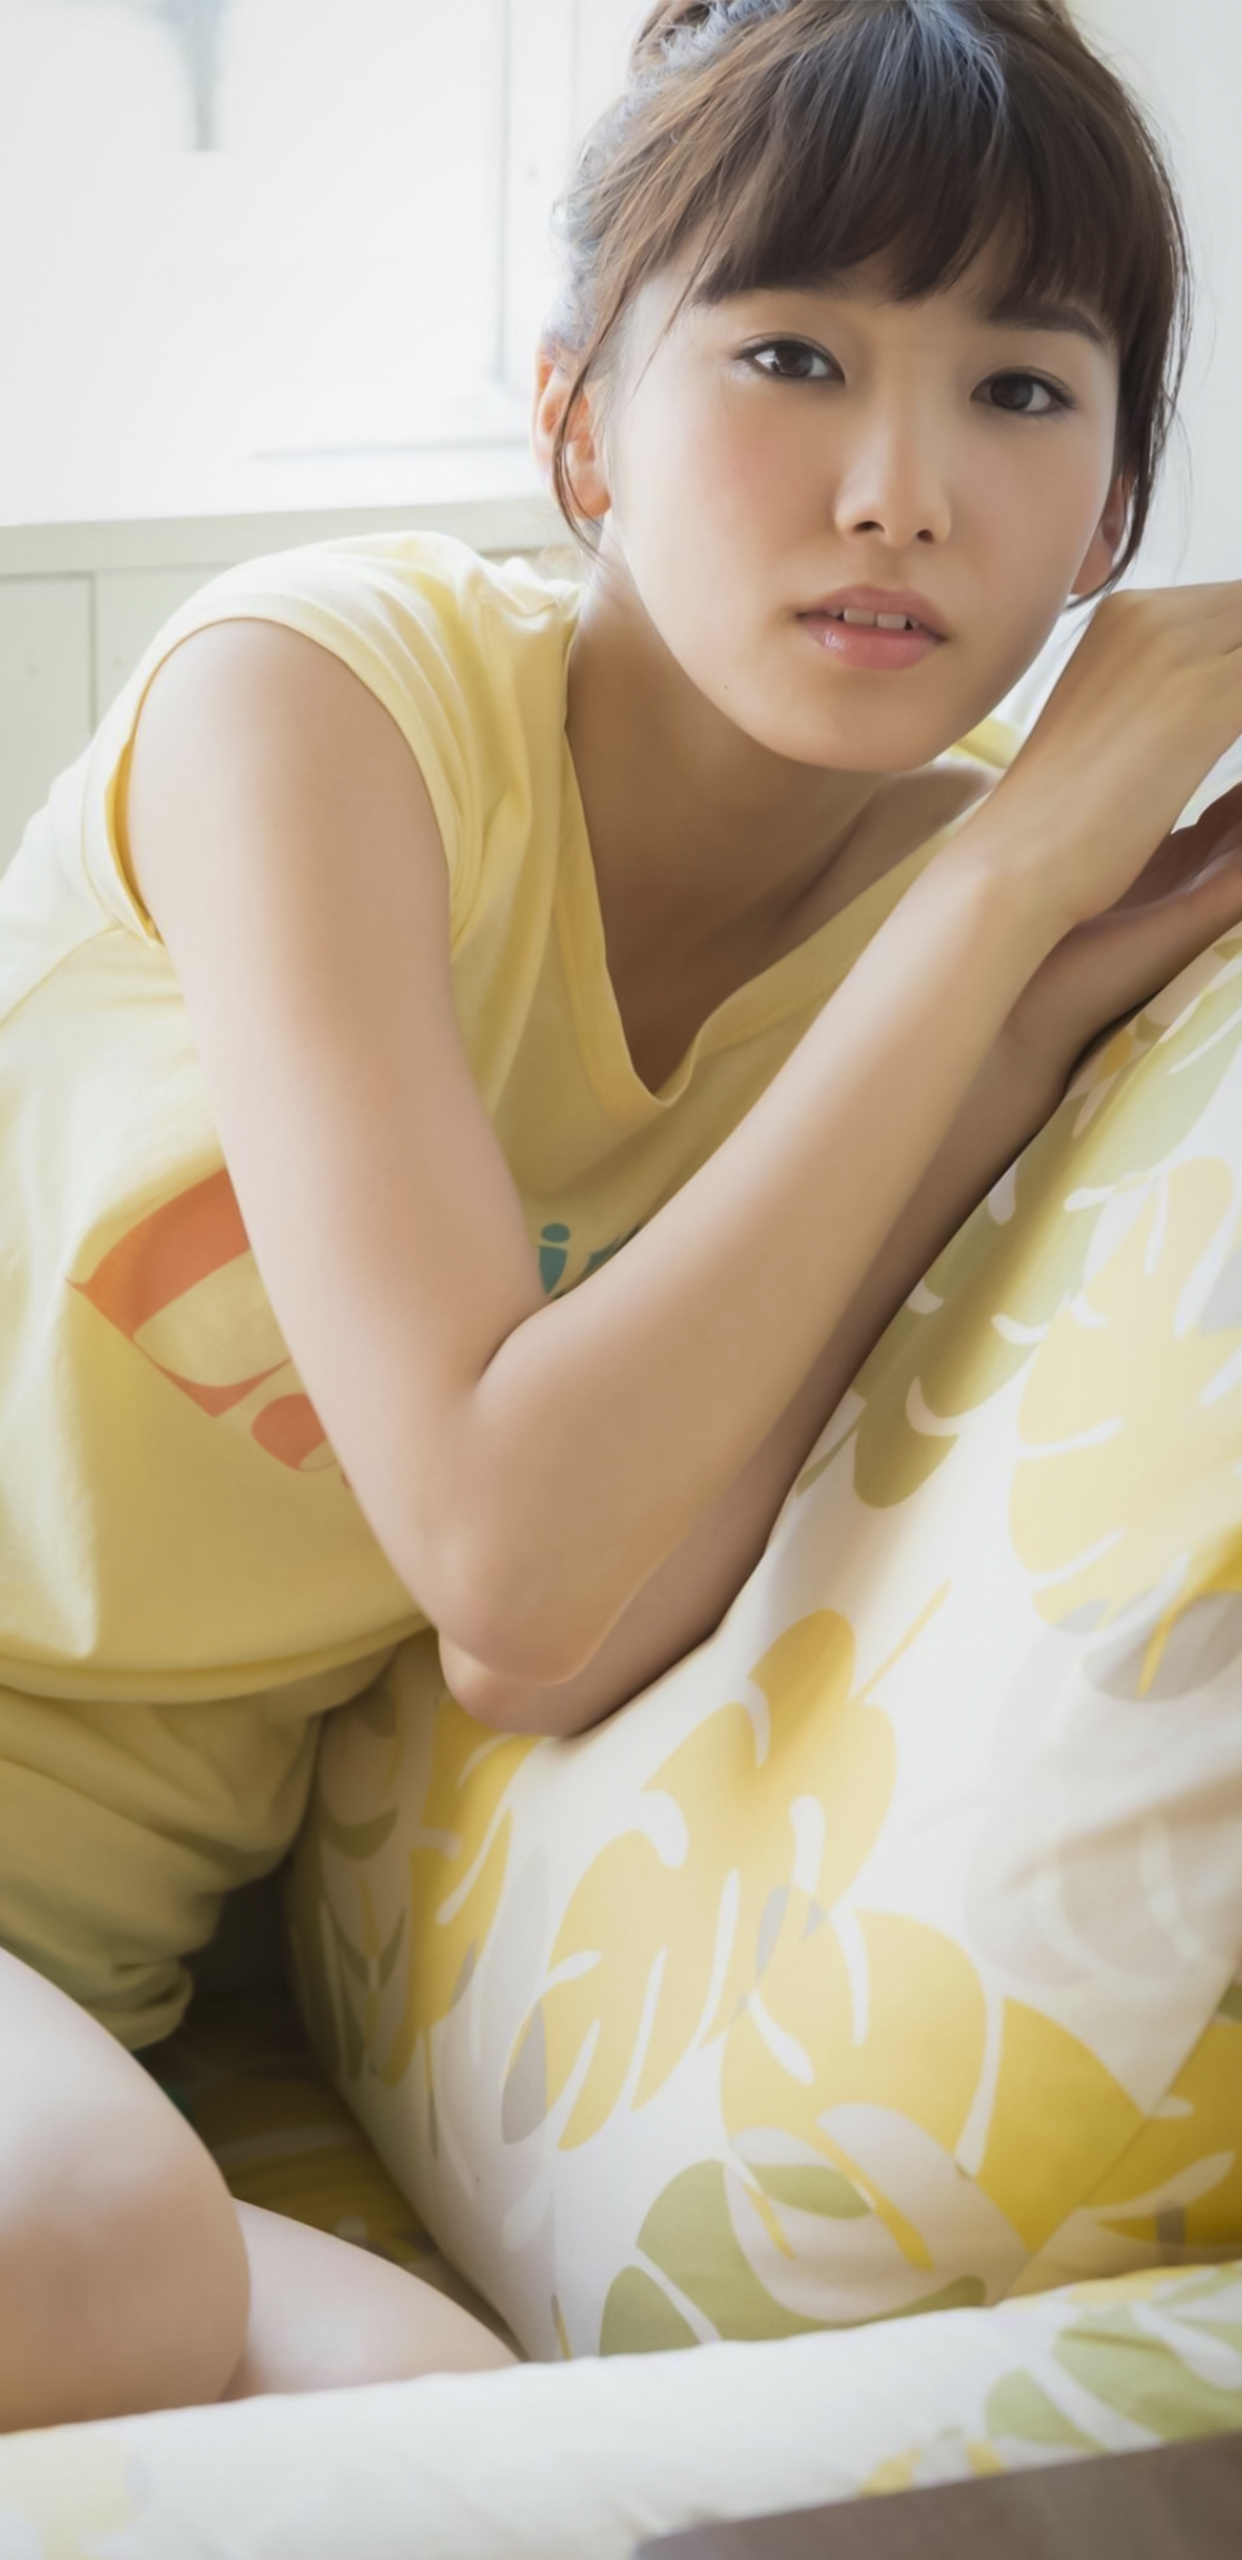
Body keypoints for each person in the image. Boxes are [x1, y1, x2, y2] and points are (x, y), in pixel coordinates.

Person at [2, 0, 1242, 2433]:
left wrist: (999, 1022)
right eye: (792, 354)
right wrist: (999, 890)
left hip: (89, 1977)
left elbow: (556, 1643)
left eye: (1020, 387)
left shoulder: (940, 953)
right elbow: (500, 1538)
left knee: (477, 2453)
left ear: (1111, 517)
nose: (900, 490)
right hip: (66, 2098)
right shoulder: (320, 699)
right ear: (579, 423)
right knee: (89, 2252)